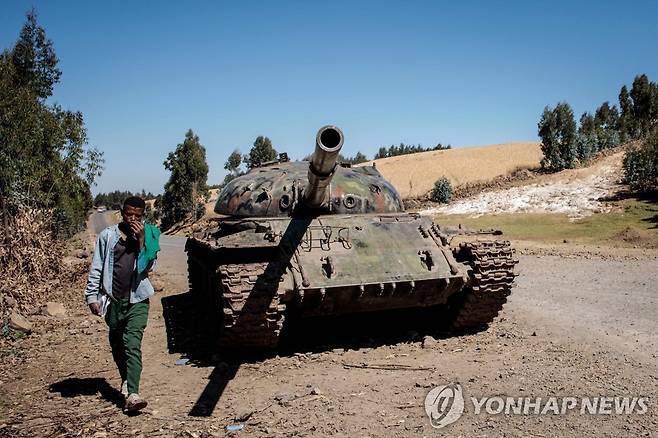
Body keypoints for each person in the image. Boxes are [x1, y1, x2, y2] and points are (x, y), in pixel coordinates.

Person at [84, 196, 160, 413]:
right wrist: (91, 297)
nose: (133, 218)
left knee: (132, 342)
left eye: (138, 215)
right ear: (121, 212)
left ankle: (134, 394)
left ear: (143, 215)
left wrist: (142, 240)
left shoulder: (151, 234)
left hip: (138, 299)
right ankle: (126, 380)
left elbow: (149, 267)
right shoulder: (108, 236)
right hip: (113, 300)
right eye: (129, 214)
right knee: (117, 342)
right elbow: (97, 268)